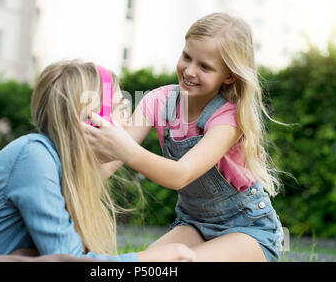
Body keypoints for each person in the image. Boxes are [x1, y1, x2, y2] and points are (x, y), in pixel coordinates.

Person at [0, 60, 196, 262]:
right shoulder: (35, 158)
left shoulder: (62, 165)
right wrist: (147, 259)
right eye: (121, 107)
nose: (129, 119)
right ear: (91, 122)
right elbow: (66, 258)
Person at [83, 13, 285, 262]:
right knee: (145, 264)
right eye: (187, 57)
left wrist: (124, 148)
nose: (189, 71)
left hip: (248, 231)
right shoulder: (157, 102)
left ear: (229, 75)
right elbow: (107, 161)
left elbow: (180, 175)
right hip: (194, 225)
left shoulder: (227, 120)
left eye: (205, 67)